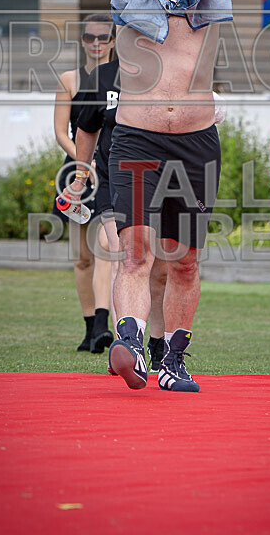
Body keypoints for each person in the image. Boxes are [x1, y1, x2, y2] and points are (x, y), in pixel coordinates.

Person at [57, 0, 270, 392]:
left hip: (197, 140)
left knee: (185, 260)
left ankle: (173, 359)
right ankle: (127, 338)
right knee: (135, 252)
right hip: (136, 136)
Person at [73, 56, 167, 372]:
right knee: (124, 255)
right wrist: (80, 177)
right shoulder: (102, 77)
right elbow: (85, 128)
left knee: (160, 268)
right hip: (116, 179)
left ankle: (157, 342)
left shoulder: (167, 71)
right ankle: (127, 345)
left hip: (161, 178)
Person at [53, 13, 115, 353]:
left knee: (106, 250)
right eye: (90, 37)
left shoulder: (121, 78)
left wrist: (97, 161)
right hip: (77, 171)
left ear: (113, 41)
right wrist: (83, 160)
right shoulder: (69, 80)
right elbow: (62, 131)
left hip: (109, 169)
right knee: (82, 257)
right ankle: (90, 328)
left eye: (103, 38)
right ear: (82, 41)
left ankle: (106, 327)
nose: (96, 43)